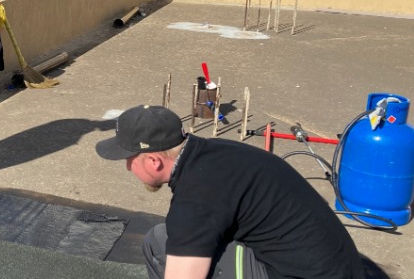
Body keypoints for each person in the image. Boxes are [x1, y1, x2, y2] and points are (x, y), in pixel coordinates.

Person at [95, 105, 365, 279]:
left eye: (130, 160)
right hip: (340, 267)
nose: (128, 167)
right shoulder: (216, 154)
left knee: (165, 247)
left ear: (154, 161)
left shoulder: (196, 199)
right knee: (163, 238)